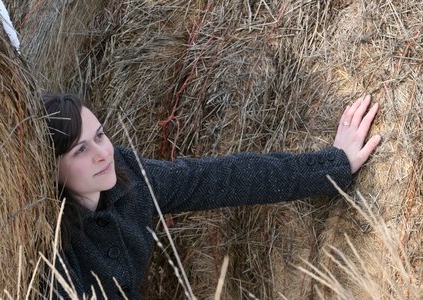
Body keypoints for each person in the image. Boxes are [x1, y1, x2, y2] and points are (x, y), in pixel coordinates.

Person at [42, 92, 380, 299]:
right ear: (49, 168)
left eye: (100, 135)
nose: (102, 153)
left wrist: (332, 165)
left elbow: (219, 179)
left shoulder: (128, 177)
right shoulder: (50, 247)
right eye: (80, 150)